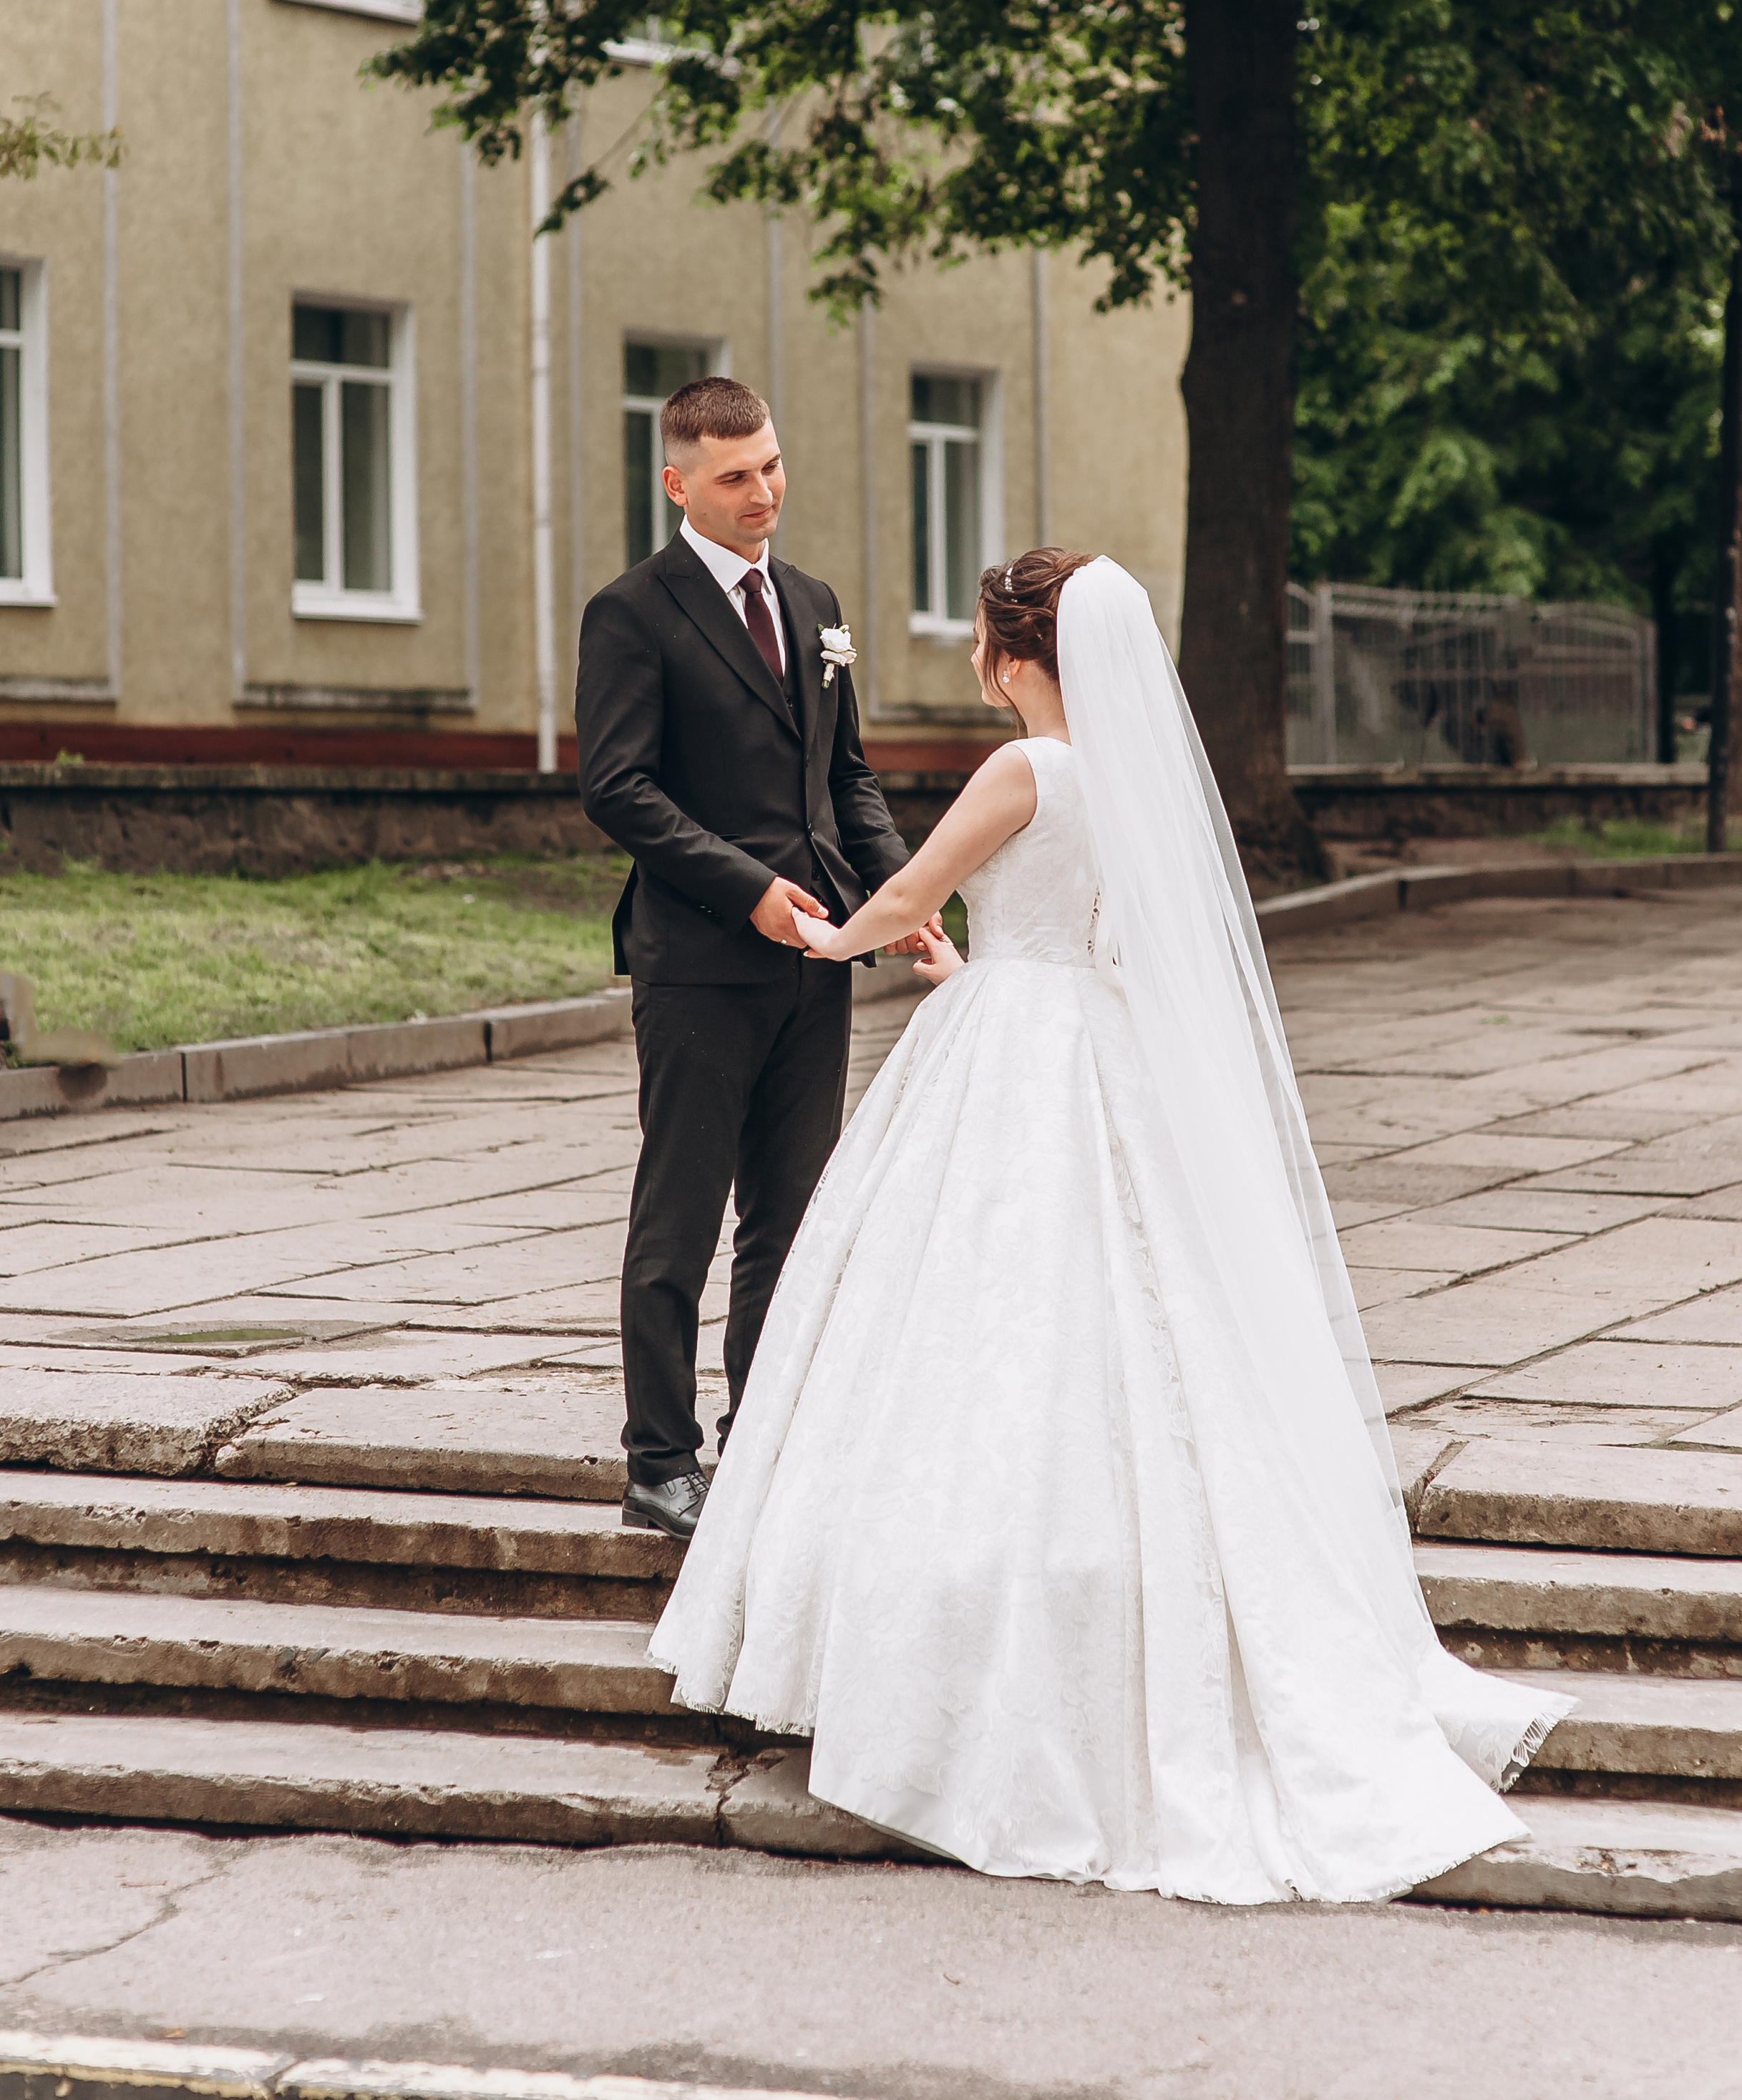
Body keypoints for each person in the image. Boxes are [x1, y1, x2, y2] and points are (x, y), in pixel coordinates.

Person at [648, 547, 1572, 1904]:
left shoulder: (1026, 770)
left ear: (1013, 654)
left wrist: (823, 936)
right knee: (1113, 1315)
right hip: (1076, 1026)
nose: (973, 655)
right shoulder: (1125, 784)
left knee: (975, 1319)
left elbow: (905, 893)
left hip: (1010, 1056)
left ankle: (951, 1668)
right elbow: (1062, 930)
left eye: (980, 636)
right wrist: (963, 957)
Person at [575, 376, 931, 1541]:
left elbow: (847, 778)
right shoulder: (633, 612)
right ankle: (658, 1463)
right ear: (678, 482)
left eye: (772, 466)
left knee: (791, 1217)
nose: (763, 493)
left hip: (815, 959)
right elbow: (618, 788)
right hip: (699, 961)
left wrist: (900, 892)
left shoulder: (815, 601)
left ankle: (766, 1442)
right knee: (678, 1216)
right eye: (735, 476)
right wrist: (749, 893)